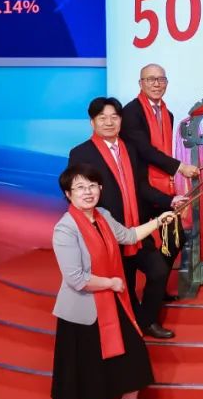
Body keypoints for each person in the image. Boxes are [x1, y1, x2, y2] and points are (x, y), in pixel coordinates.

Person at [51, 163, 177, 399]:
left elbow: (129, 236)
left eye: (92, 185)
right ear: (68, 194)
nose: (88, 192)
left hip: (113, 300)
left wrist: (159, 221)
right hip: (82, 312)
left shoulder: (104, 216)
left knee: (133, 353)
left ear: (100, 189)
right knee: (74, 380)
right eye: (80, 187)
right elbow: (76, 278)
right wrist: (111, 283)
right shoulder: (65, 229)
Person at [68, 97, 181, 339]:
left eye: (114, 117)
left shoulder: (130, 149)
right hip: (106, 232)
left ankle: (147, 321)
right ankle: (131, 326)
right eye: (102, 118)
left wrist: (169, 201)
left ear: (120, 120)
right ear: (92, 122)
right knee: (124, 283)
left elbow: (141, 186)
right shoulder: (81, 153)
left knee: (158, 271)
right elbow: (76, 195)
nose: (109, 122)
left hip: (136, 228)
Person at [121, 64, 198, 284]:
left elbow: (162, 152)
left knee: (174, 239)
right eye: (150, 79)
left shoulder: (167, 114)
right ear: (141, 83)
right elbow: (145, 151)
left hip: (163, 186)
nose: (156, 84)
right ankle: (137, 295)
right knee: (135, 248)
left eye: (161, 80)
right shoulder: (131, 112)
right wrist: (180, 167)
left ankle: (156, 289)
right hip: (139, 187)